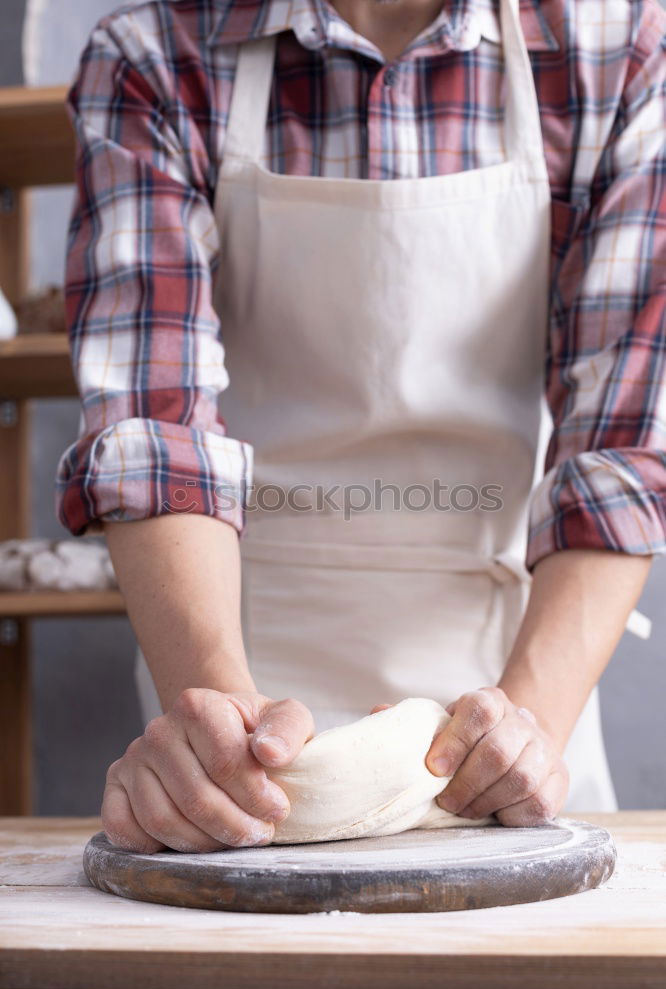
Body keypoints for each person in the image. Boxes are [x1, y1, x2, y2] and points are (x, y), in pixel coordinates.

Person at [56, 0, 665, 853]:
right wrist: (230, 739)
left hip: (519, 685)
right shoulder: (157, 54)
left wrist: (522, 731)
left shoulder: (613, 47)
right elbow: (154, 432)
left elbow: (616, 449)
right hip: (239, 671)